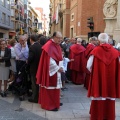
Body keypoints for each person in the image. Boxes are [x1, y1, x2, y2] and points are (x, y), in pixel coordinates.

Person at [87, 33, 120, 120]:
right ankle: (109, 116)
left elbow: (88, 65)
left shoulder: (95, 51)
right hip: (111, 80)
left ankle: (97, 116)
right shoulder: (115, 52)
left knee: (98, 95)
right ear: (108, 40)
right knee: (110, 95)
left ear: (99, 41)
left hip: (98, 79)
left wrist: (95, 73)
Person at [36, 31, 63, 111]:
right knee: (50, 88)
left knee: (55, 89)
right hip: (51, 71)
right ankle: (49, 105)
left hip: (56, 70)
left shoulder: (56, 45)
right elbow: (49, 60)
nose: (60, 40)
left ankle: (55, 102)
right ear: (54, 37)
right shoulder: (49, 45)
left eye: (61, 38)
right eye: (58, 38)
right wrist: (58, 68)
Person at [27, 35, 42, 103]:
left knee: (34, 83)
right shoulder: (40, 46)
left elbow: (31, 57)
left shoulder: (32, 47)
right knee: (38, 83)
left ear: (31, 39)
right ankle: (39, 96)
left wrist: (27, 61)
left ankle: (35, 98)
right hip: (39, 67)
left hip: (33, 68)